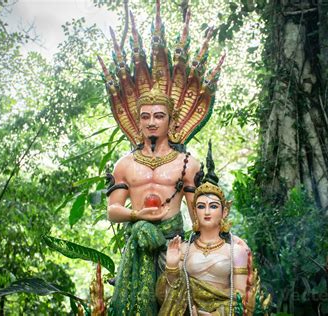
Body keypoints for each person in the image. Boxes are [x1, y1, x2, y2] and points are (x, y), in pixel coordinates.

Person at [97, 2, 226, 315]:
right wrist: (137, 216)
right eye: (145, 117)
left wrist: (210, 246)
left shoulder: (189, 164)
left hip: (174, 246)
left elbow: (198, 217)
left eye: (158, 116)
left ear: (171, 120)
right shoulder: (124, 164)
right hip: (136, 248)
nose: (151, 122)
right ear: (137, 120)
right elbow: (113, 210)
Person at [156, 143, 271, 316]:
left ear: (224, 211)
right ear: (194, 211)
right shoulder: (184, 249)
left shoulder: (236, 250)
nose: (207, 212)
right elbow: (167, 298)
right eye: (201, 206)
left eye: (213, 206)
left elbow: (241, 297)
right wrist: (172, 268)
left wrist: (216, 315)